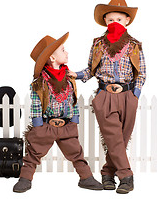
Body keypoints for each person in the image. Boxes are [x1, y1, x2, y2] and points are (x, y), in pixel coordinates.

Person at [69, 0, 146, 194]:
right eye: (110, 20)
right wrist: (75, 75)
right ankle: (126, 176)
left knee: (121, 138)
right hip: (105, 94)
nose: (114, 23)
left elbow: (142, 73)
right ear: (105, 21)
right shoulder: (98, 44)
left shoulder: (135, 45)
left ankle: (107, 172)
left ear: (127, 21)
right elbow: (90, 70)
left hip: (128, 95)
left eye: (119, 20)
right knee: (113, 136)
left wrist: (135, 96)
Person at [13, 32, 103, 193]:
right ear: (52, 58)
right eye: (63, 50)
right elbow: (36, 103)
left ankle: (86, 178)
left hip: (66, 125)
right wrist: (38, 125)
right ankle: (25, 179)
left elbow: (73, 99)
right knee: (34, 153)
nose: (66, 52)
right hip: (46, 125)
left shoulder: (69, 78)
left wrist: (74, 119)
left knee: (76, 152)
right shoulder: (40, 82)